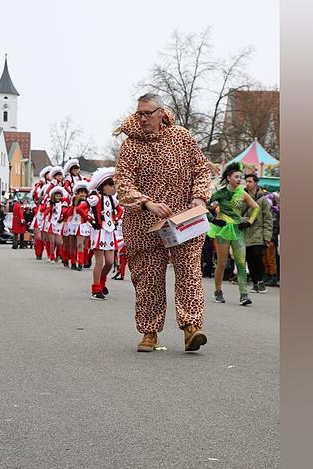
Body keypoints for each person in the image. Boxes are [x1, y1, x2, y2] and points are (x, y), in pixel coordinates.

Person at [114, 93, 212, 353]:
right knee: (148, 278)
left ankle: (191, 328)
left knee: (190, 273)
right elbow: (123, 182)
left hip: (183, 221)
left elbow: (201, 169)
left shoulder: (181, 137)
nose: (143, 118)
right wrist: (147, 203)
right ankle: (149, 332)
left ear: (161, 113)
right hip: (144, 223)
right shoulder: (131, 145)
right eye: (140, 114)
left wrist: (200, 198)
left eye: (148, 113)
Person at [206, 161, 261, 306]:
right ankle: (218, 291)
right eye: (236, 177)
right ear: (229, 177)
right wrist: (214, 220)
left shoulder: (242, 193)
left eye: (240, 177)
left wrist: (249, 222)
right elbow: (206, 208)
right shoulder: (219, 193)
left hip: (238, 230)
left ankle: (244, 295)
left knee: (241, 263)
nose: (239, 179)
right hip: (223, 231)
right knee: (222, 264)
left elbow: (256, 208)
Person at [80, 168, 121, 299]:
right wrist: (91, 220)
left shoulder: (113, 200)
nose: (113, 187)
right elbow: (81, 209)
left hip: (110, 231)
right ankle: (96, 288)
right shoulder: (95, 198)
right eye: (110, 185)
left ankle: (102, 282)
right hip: (99, 232)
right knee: (99, 261)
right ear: (102, 186)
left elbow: (119, 210)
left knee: (109, 262)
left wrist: (115, 219)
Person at [243, 173, 274, 293]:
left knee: (257, 256)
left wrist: (267, 236)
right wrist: (242, 219)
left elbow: (268, 219)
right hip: (245, 232)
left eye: (250, 181)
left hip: (258, 232)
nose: (247, 184)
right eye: (246, 181)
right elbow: (237, 214)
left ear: (255, 183)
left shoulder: (263, 199)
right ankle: (255, 283)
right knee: (250, 259)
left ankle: (261, 282)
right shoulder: (242, 197)